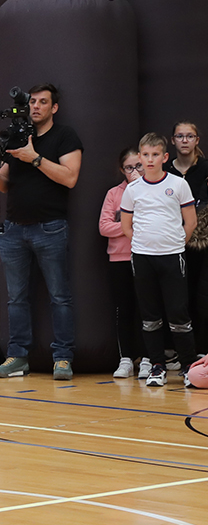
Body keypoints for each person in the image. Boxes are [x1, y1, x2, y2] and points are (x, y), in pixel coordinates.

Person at [0, 83, 83, 380]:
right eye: (32, 101)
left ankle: (63, 358)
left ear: (54, 108)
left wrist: (34, 158)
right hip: (13, 229)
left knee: (59, 297)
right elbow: (5, 185)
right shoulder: (19, 136)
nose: (35, 106)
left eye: (42, 102)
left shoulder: (65, 136)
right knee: (16, 298)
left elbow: (70, 178)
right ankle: (17, 356)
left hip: (50, 228)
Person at [120, 132, 197, 387]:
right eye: (146, 155)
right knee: (150, 315)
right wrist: (144, 244)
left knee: (178, 313)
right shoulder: (132, 189)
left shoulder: (178, 184)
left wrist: (175, 244)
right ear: (140, 157)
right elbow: (126, 226)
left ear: (164, 157)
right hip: (143, 259)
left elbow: (190, 221)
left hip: (172, 257)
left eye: (155, 155)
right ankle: (157, 366)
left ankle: (188, 366)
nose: (150, 159)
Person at [98, 147, 150, 379]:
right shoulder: (114, 194)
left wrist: (126, 226)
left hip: (147, 256)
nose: (134, 171)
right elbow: (104, 227)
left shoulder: (152, 190)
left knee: (147, 309)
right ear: (122, 170)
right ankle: (126, 358)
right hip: (120, 259)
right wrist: (129, 226)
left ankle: (149, 358)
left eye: (138, 166)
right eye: (129, 168)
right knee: (124, 310)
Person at [165, 122, 208, 354]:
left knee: (200, 295)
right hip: (170, 240)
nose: (184, 140)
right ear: (172, 140)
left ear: (196, 140)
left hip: (201, 241)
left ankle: (200, 349)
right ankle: (174, 349)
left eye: (189, 136)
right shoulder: (164, 171)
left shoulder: (205, 168)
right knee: (175, 295)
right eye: (180, 136)